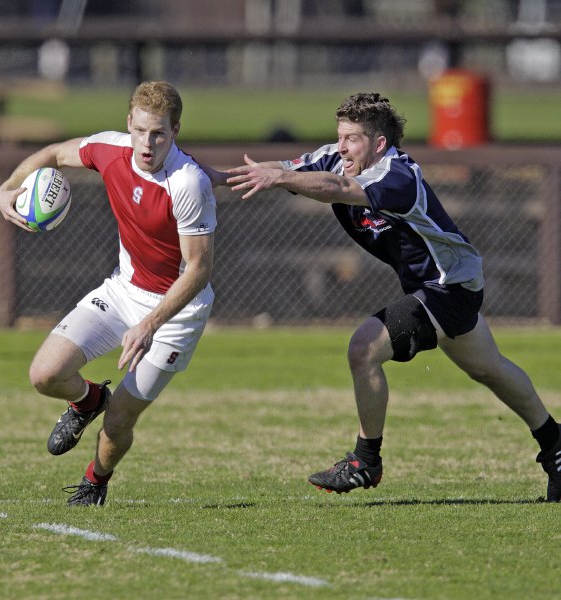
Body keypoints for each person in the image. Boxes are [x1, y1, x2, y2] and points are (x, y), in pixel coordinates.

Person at [226, 92, 561, 502]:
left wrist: (278, 179)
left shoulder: (398, 176)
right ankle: (556, 445)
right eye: (340, 136)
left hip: (449, 286)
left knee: (364, 349)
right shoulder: (337, 157)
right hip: (437, 285)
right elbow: (276, 170)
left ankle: (366, 460)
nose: (341, 147)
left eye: (352, 138)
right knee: (490, 370)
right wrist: (194, 174)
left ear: (379, 143)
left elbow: (336, 187)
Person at [0, 81, 217, 506]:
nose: (147, 143)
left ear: (175, 131)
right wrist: (7, 187)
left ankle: (94, 481)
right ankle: (87, 400)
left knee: (119, 421)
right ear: (129, 123)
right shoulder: (109, 149)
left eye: (159, 134)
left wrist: (149, 325)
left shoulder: (188, 183)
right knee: (44, 374)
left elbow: (198, 271)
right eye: (141, 131)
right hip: (122, 290)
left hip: (176, 313)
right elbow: (53, 153)